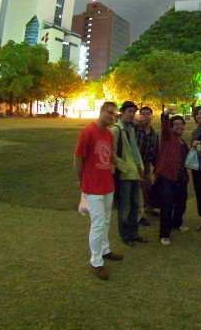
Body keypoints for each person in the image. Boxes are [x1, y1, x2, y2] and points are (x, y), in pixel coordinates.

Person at [74, 101, 123, 280]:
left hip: (107, 184)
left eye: (114, 114)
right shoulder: (88, 131)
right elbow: (78, 157)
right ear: (101, 111)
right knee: (97, 223)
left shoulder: (108, 133)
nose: (111, 116)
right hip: (93, 186)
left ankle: (105, 249)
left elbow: (108, 157)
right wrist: (81, 180)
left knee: (106, 220)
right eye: (108, 112)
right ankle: (96, 262)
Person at [111, 101, 148, 247]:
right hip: (124, 175)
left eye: (134, 112)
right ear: (122, 112)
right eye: (129, 111)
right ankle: (125, 234)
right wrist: (124, 167)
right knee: (125, 206)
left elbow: (134, 150)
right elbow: (112, 153)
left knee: (135, 205)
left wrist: (139, 168)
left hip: (134, 173)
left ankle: (134, 233)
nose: (132, 114)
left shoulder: (130, 129)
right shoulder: (116, 130)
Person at [155, 107, 190, 246]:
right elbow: (164, 125)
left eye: (181, 124)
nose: (179, 126)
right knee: (167, 206)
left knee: (181, 203)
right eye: (176, 124)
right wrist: (166, 114)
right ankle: (164, 234)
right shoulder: (167, 137)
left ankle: (177, 223)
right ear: (171, 127)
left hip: (181, 178)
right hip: (167, 177)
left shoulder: (183, 142)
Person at [135, 106, 159, 225]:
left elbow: (156, 151)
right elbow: (120, 121)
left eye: (148, 114)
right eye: (143, 114)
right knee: (135, 190)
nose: (145, 116)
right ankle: (138, 215)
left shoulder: (154, 134)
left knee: (147, 188)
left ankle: (149, 208)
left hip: (146, 165)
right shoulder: (134, 128)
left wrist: (157, 167)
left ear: (152, 116)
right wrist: (134, 122)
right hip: (134, 165)